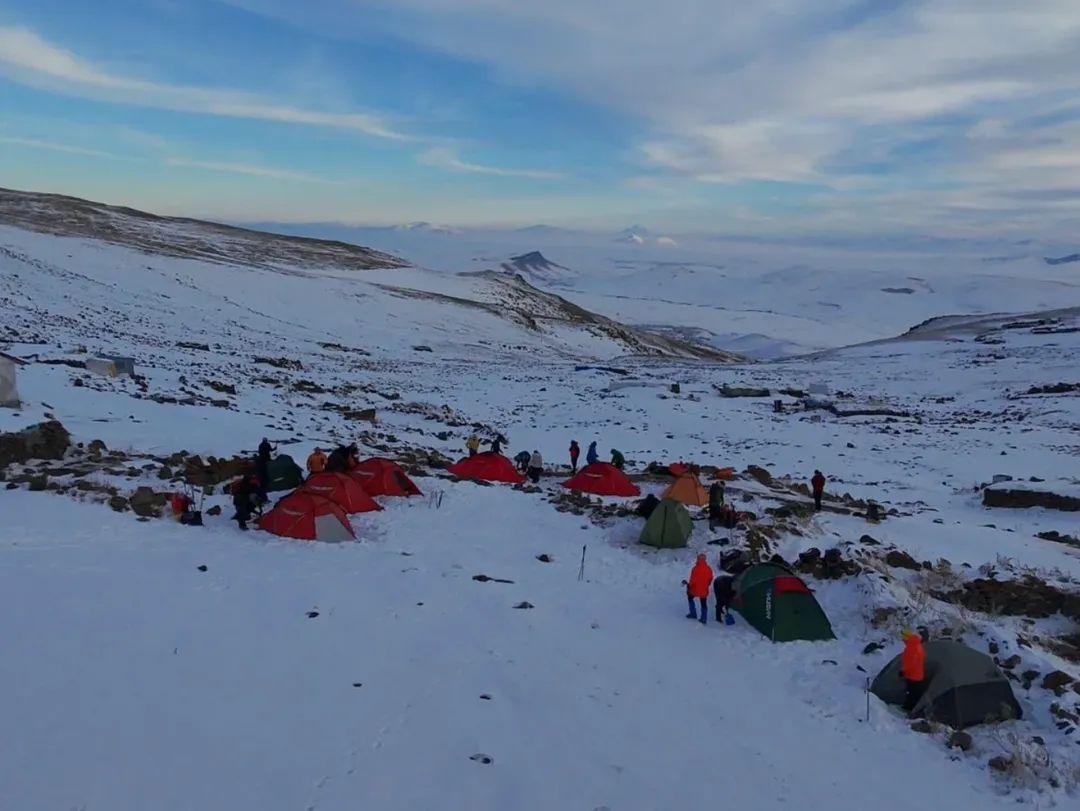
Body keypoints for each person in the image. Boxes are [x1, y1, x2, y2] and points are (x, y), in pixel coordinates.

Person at [900, 628, 926, 712]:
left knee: (911, 692)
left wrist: (904, 671)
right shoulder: (917, 644)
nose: (902, 640)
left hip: (912, 675)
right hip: (918, 674)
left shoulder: (911, 647)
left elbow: (910, 662)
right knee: (915, 692)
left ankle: (909, 708)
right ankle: (912, 707)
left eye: (903, 638)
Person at [685, 554, 713, 624]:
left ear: (698, 559)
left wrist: (689, 586)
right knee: (703, 602)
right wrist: (707, 584)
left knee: (690, 597)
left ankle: (693, 613)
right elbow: (710, 578)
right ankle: (704, 618)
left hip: (695, 589)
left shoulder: (695, 568)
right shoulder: (709, 568)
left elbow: (692, 580)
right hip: (704, 589)